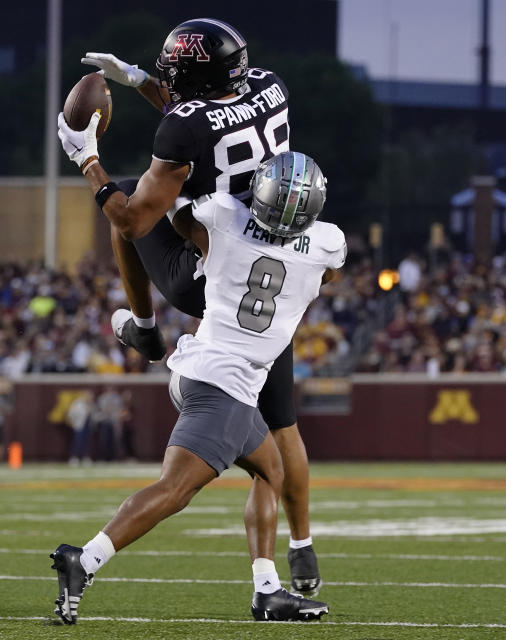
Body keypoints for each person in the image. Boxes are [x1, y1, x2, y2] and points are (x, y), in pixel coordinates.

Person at [62, 18, 321, 596]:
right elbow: (202, 111)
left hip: (210, 273)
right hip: (273, 277)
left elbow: (132, 218)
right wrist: (136, 80)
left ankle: (146, 328)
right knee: (284, 434)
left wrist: (86, 159)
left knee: (126, 196)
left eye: (176, 74)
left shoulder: (185, 124)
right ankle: (301, 549)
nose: (169, 81)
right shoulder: (269, 87)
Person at [49, 151, 344, 623]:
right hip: (224, 385)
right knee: (174, 491)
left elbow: (164, 210)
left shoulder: (222, 218)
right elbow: (328, 272)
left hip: (209, 375)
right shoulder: (328, 245)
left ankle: (267, 590)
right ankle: (83, 560)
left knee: (271, 470)